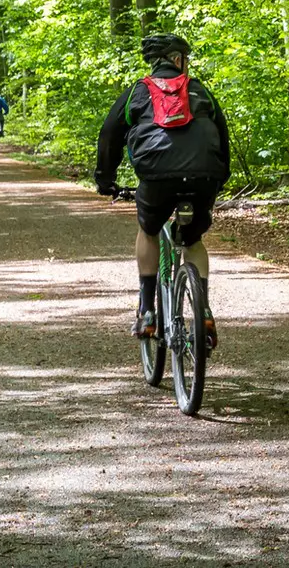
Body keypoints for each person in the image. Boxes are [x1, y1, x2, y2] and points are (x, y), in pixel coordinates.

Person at [95, 33, 230, 345]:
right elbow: (221, 137)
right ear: (178, 60)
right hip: (203, 177)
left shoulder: (136, 93)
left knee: (149, 228)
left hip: (157, 179)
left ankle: (146, 311)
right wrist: (218, 179)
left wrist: (105, 180)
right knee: (193, 239)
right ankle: (204, 312)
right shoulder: (200, 90)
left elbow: (109, 136)